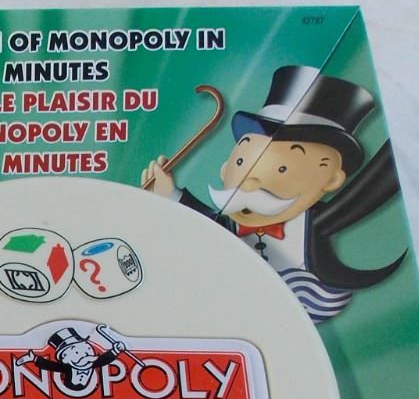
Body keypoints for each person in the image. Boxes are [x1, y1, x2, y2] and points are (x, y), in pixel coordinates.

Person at [143, 66, 404, 322]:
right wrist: (170, 194)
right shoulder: (232, 219)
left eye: (281, 168)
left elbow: (368, 192)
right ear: (225, 168)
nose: (249, 183)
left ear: (332, 178)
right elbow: (212, 226)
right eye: (241, 162)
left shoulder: (315, 225)